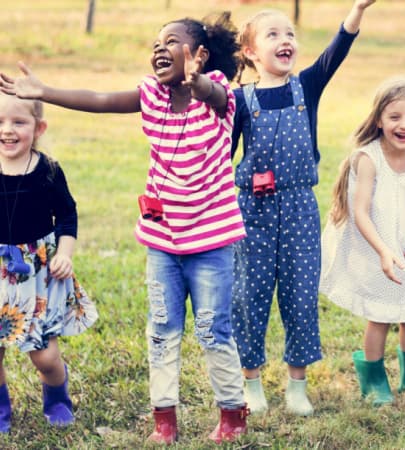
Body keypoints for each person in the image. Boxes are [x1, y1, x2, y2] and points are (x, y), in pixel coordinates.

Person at [0, 12, 249, 444]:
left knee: (212, 330)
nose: (158, 48)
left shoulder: (219, 97)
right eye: (155, 42)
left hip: (211, 245)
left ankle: (232, 413)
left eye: (170, 41)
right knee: (161, 329)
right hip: (163, 244)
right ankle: (164, 418)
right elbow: (99, 98)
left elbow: (210, 92)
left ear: (200, 54)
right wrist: (46, 92)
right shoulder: (151, 94)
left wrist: (198, 82)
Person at [230, 0, 375, 417]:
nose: (285, 40)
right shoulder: (240, 101)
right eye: (273, 34)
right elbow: (221, 155)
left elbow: (337, 50)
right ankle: (251, 382)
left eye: (290, 33)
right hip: (251, 211)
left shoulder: (306, 87)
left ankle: (297, 386)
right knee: (248, 295)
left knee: (299, 295)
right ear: (252, 53)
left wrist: (357, 9)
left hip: (298, 208)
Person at [320, 77, 405, 407]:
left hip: (403, 253)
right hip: (374, 251)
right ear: (379, 119)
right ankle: (374, 379)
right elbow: (361, 212)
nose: (404, 124)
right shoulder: (368, 159)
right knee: (380, 316)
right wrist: (383, 250)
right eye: (395, 117)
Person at [0, 92, 97, 433]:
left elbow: (67, 215)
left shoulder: (47, 171)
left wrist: (65, 253)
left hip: (38, 273)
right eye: (0, 122)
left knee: (44, 356)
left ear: (39, 127)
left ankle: (56, 396)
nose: (7, 130)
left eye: (18, 122)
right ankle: (1, 408)